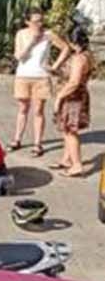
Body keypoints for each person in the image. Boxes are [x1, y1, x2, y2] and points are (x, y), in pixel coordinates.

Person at [8, 8, 70, 156]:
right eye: (36, 21)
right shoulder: (21, 34)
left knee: (38, 110)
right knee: (23, 108)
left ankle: (38, 143)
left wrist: (55, 67)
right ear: (27, 22)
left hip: (41, 76)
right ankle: (17, 139)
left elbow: (66, 48)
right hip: (23, 75)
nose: (39, 24)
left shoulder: (49, 35)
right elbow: (19, 56)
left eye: (41, 20)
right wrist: (32, 42)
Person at [52, 24, 95, 177]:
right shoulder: (86, 55)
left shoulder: (79, 58)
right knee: (66, 129)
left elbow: (74, 82)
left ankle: (77, 165)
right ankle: (67, 159)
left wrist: (59, 97)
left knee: (70, 131)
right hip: (77, 96)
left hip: (73, 99)